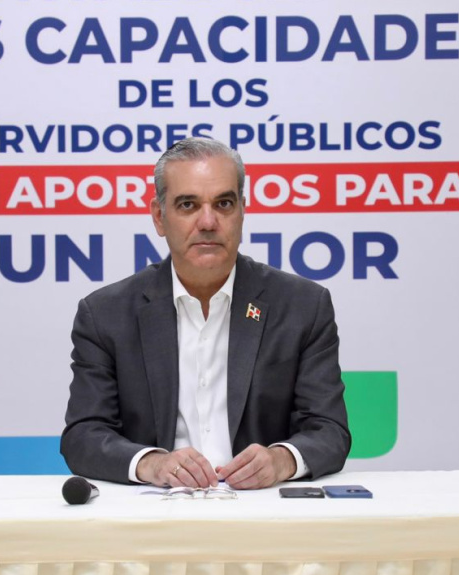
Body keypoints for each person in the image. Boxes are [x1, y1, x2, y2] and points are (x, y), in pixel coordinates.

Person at [61, 138, 350, 489]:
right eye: (188, 205)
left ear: (242, 212)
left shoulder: (303, 306)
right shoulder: (105, 314)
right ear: (159, 217)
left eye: (224, 204)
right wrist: (152, 464)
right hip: (154, 509)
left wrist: (281, 460)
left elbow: (329, 430)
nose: (208, 222)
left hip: (261, 507)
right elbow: (83, 435)